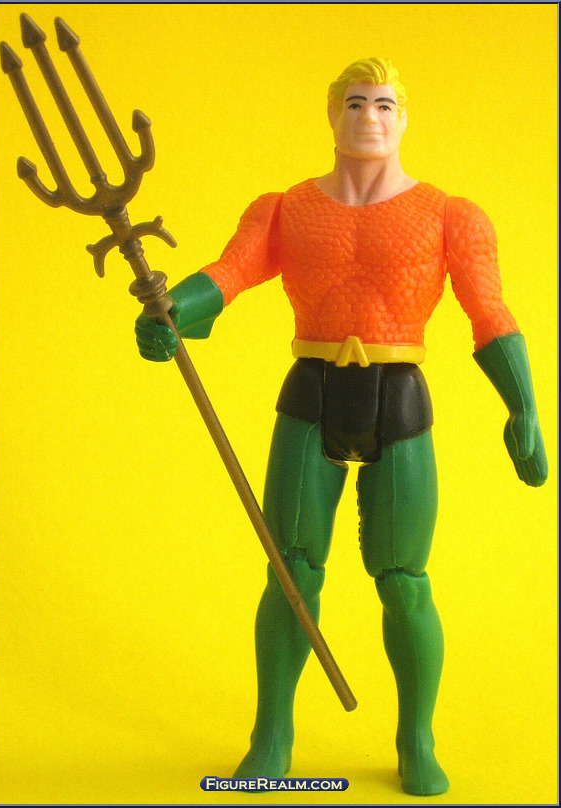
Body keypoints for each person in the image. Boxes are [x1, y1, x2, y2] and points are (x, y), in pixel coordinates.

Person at [135, 57, 547, 796]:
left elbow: (488, 312)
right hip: (312, 391)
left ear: (403, 118)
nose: (369, 117)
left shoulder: (450, 215)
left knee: (405, 581)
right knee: (289, 572)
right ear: (332, 115)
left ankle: (416, 737)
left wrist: (523, 406)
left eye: (384, 104)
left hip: (399, 399)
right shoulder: (285, 209)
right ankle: (271, 734)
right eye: (355, 102)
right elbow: (231, 272)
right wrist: (174, 313)